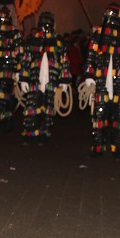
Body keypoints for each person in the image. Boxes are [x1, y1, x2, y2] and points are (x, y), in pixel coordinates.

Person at [84, 4, 120, 158]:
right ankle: (98, 145)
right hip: (101, 80)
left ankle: (118, 146)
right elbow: (91, 57)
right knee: (100, 112)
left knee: (119, 114)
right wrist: (89, 76)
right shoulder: (98, 35)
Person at [19, 12, 71, 144]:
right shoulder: (32, 39)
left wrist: (64, 80)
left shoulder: (59, 41)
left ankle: (44, 133)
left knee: (48, 106)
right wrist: (24, 78)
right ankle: (30, 133)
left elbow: (64, 61)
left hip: (51, 79)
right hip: (34, 79)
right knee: (32, 105)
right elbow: (26, 60)